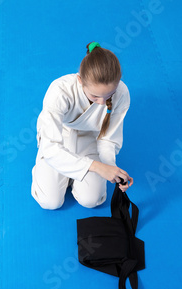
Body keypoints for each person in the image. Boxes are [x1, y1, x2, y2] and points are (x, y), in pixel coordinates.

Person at [31, 41, 134, 210]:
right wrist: (97, 167)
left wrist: (111, 170)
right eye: (95, 96)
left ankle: (72, 170)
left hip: (91, 137)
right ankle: (46, 168)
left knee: (91, 200)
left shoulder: (122, 93)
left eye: (109, 95)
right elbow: (51, 148)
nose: (102, 103)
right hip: (59, 136)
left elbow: (108, 139)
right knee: (50, 202)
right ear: (80, 80)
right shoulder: (59, 91)